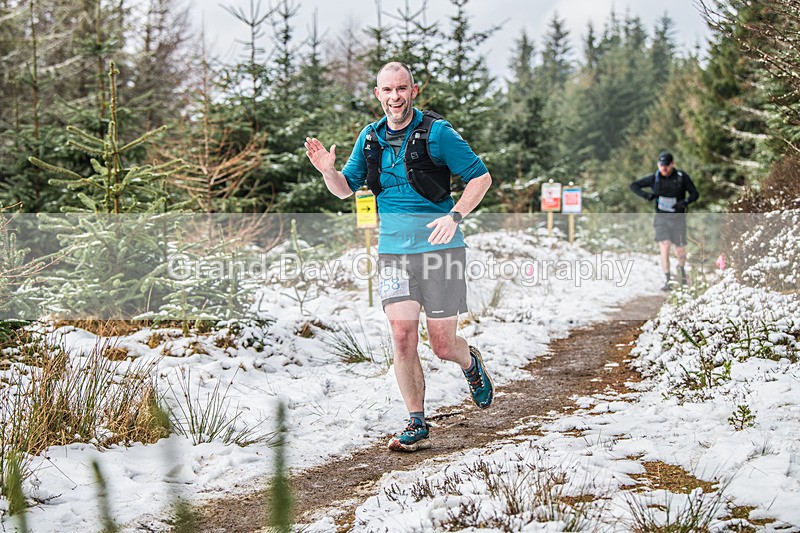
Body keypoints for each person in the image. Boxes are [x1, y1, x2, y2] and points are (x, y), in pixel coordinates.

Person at [304, 61, 494, 452]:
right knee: (403, 337)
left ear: (414, 90)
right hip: (393, 255)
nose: (395, 97)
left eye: (402, 89)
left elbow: (481, 177)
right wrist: (327, 170)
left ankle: (470, 362)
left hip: (441, 250)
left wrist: (455, 216)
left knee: (442, 345)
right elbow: (344, 189)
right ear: (378, 94)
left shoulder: (437, 134)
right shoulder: (369, 138)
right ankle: (417, 422)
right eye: (387, 90)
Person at [630, 151, 699, 291]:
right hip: (661, 218)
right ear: (658, 165)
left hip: (678, 218)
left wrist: (684, 202)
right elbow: (634, 185)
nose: (664, 169)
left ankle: (682, 274)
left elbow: (695, 194)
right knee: (665, 246)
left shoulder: (681, 177)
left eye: (667, 166)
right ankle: (668, 279)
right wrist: (646, 195)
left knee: (679, 249)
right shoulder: (655, 178)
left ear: (672, 164)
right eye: (662, 166)